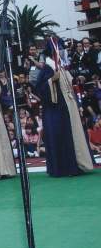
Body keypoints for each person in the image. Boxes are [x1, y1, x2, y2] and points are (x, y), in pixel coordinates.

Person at [35, 38, 94, 177]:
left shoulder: (60, 66)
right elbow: (39, 89)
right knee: (62, 137)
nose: (62, 50)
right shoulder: (48, 68)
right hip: (56, 111)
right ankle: (66, 167)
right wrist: (51, 80)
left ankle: (78, 163)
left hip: (68, 107)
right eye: (60, 48)